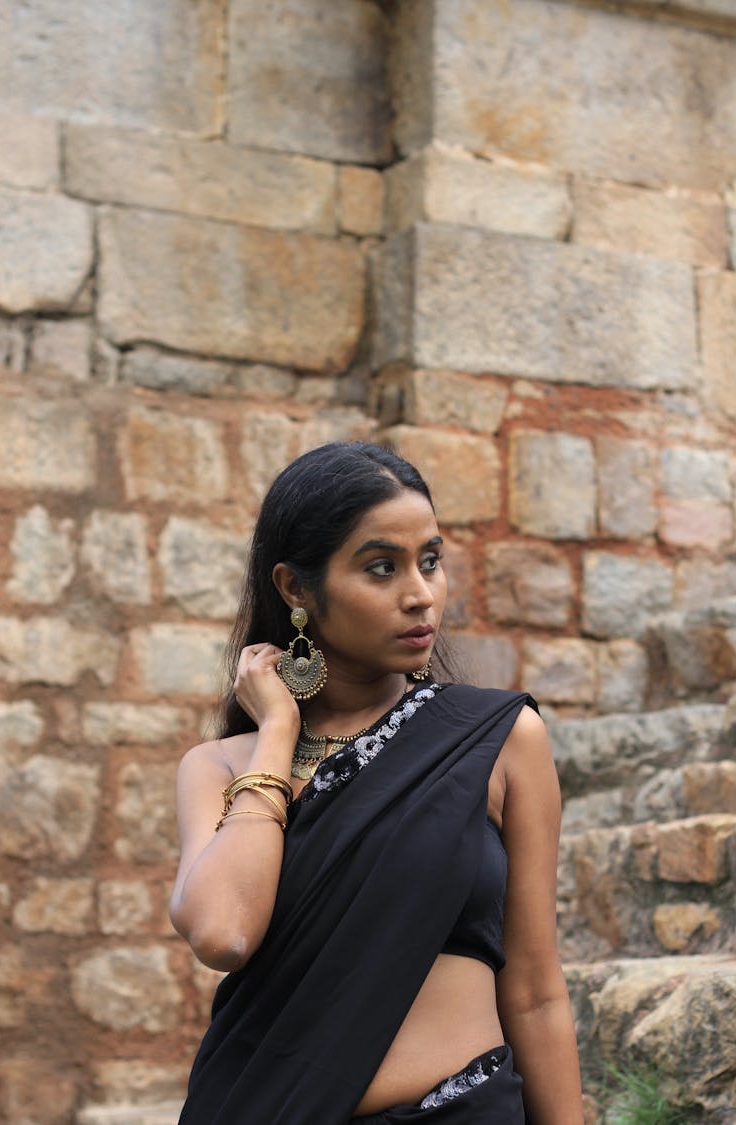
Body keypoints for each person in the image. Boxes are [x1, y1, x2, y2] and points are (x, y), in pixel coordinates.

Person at [169, 441, 584, 1124]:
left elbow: (536, 989)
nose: (420, 593)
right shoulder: (219, 766)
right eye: (381, 567)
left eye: (430, 560)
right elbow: (223, 933)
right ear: (296, 588)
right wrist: (277, 728)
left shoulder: (497, 739)